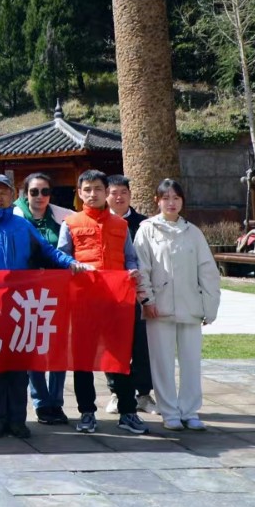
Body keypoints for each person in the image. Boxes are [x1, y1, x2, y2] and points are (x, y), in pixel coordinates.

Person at [0, 173, 91, 439]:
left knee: (19, 366)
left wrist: (71, 263)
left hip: (19, 308)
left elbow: (48, 252)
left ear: (12, 195)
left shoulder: (22, 226)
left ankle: (18, 420)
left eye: (3, 192)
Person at [58, 170, 147, 435]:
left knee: (119, 357)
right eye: (87, 189)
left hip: (116, 302)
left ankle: (128, 412)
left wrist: (132, 270)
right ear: (79, 192)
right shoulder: (70, 223)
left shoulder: (120, 225)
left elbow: (130, 257)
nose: (92, 194)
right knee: (83, 359)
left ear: (106, 192)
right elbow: (62, 258)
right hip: (84, 302)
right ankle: (87, 412)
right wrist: (71, 265)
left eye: (98, 189)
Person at [135, 178, 221, 432]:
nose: (171, 203)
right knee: (162, 363)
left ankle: (190, 411)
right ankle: (169, 411)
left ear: (182, 201)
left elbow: (208, 272)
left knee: (191, 362)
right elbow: (141, 269)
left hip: (190, 307)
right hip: (158, 309)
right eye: (166, 198)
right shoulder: (147, 230)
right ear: (157, 201)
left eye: (176, 198)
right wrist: (147, 300)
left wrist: (209, 307)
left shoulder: (193, 232)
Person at [17, 172, 69, 426]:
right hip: (25, 295)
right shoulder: (15, 218)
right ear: (25, 193)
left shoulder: (63, 218)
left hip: (57, 293)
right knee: (33, 349)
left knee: (58, 348)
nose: (39, 197)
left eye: (45, 191)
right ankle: (41, 401)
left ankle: (56, 401)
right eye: (34, 192)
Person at [106, 174, 154, 412]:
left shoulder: (144, 224)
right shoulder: (102, 223)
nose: (119, 197)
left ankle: (144, 394)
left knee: (142, 346)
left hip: (139, 294)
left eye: (123, 192)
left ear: (130, 195)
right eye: (114, 193)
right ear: (106, 196)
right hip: (111, 296)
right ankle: (117, 393)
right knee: (114, 347)